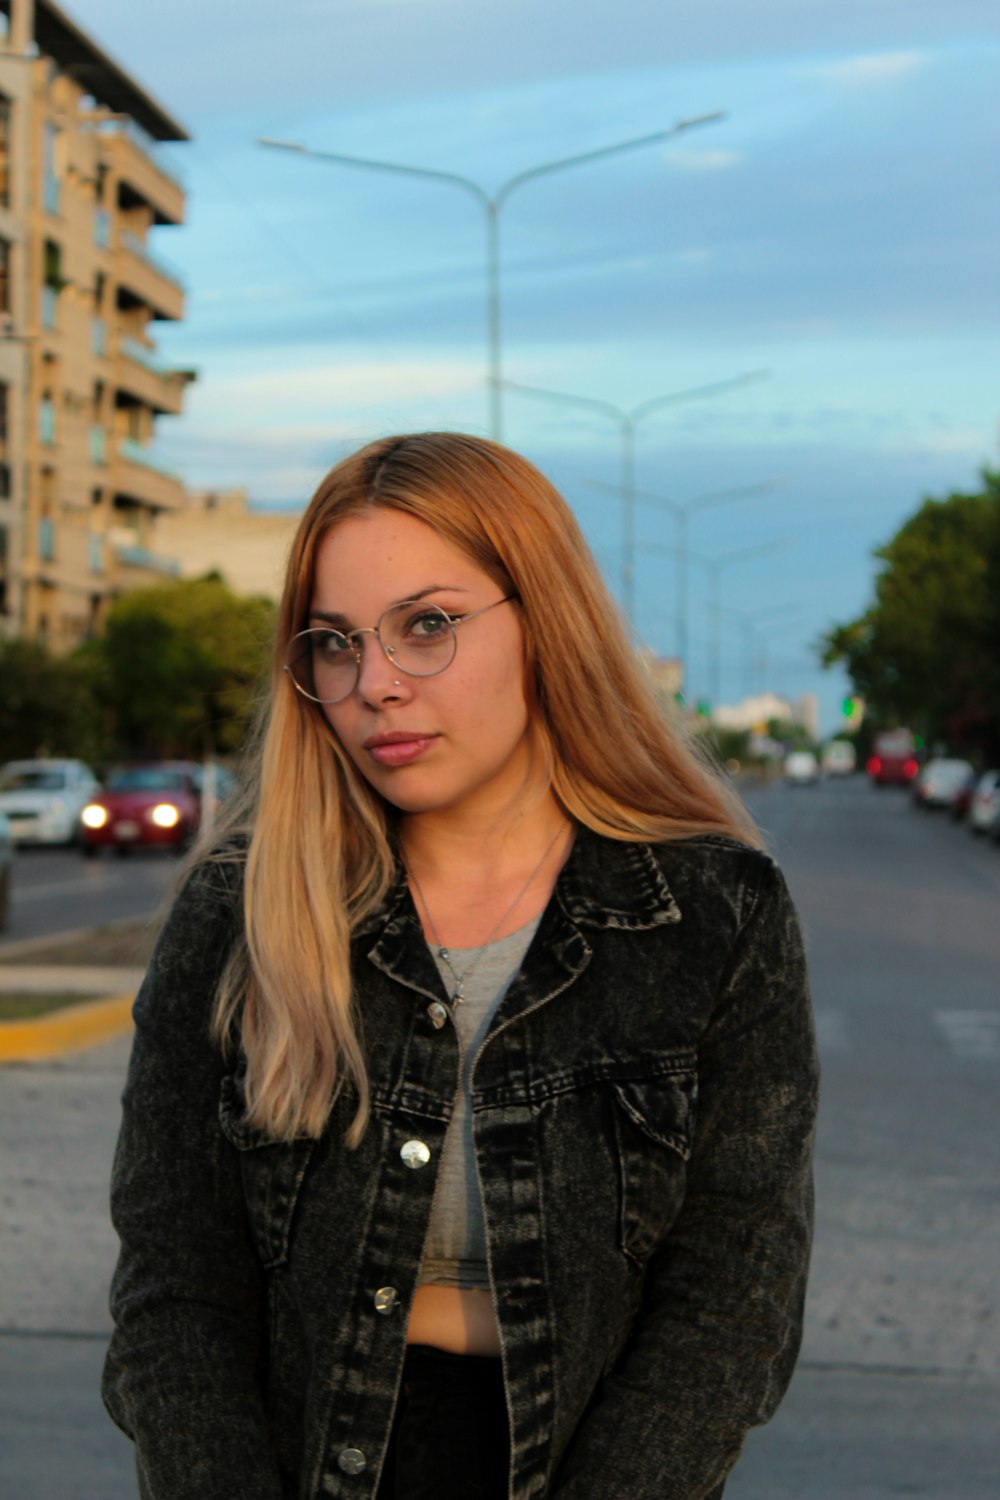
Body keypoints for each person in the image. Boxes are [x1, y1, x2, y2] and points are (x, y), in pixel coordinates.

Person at [103, 432, 818, 1500]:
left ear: (544, 621)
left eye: (427, 626)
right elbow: (174, 1289)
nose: (375, 685)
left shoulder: (714, 913)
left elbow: (732, 1300)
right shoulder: (240, 913)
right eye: (336, 644)